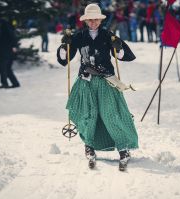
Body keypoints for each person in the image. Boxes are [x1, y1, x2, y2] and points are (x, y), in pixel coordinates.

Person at [56, 3, 138, 171]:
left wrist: (119, 48)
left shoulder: (108, 36)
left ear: (100, 20)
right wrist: (65, 46)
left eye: (96, 20)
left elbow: (124, 56)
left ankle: (123, 148)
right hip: (86, 81)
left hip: (105, 81)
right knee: (88, 115)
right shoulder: (79, 36)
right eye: (90, 20)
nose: (93, 23)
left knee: (111, 114)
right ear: (86, 21)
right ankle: (89, 146)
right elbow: (65, 58)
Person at [0, 18, 20, 89]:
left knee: (2, 67)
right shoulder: (10, 29)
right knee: (7, 68)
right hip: (10, 52)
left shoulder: (5, 30)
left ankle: (4, 83)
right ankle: (15, 83)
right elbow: (14, 40)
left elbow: (10, 40)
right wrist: (14, 47)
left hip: (5, 52)